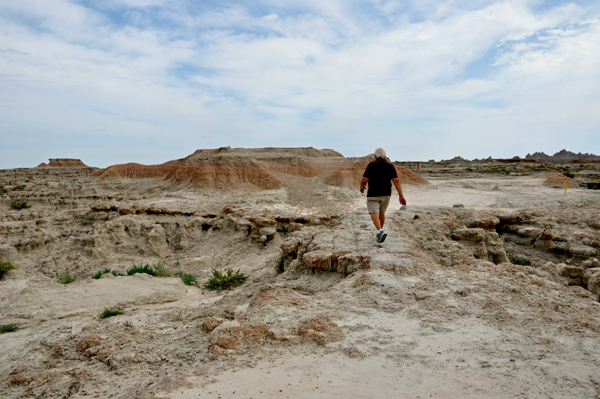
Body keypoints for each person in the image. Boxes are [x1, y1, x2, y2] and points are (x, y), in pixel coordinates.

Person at [360, 147, 407, 243]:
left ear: (375, 156)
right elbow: (396, 181)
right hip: (386, 194)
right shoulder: (390, 166)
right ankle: (380, 232)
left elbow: (364, 180)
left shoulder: (371, 165)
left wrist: (362, 187)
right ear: (385, 156)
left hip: (373, 194)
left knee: (374, 213)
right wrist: (401, 195)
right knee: (382, 212)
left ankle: (380, 231)